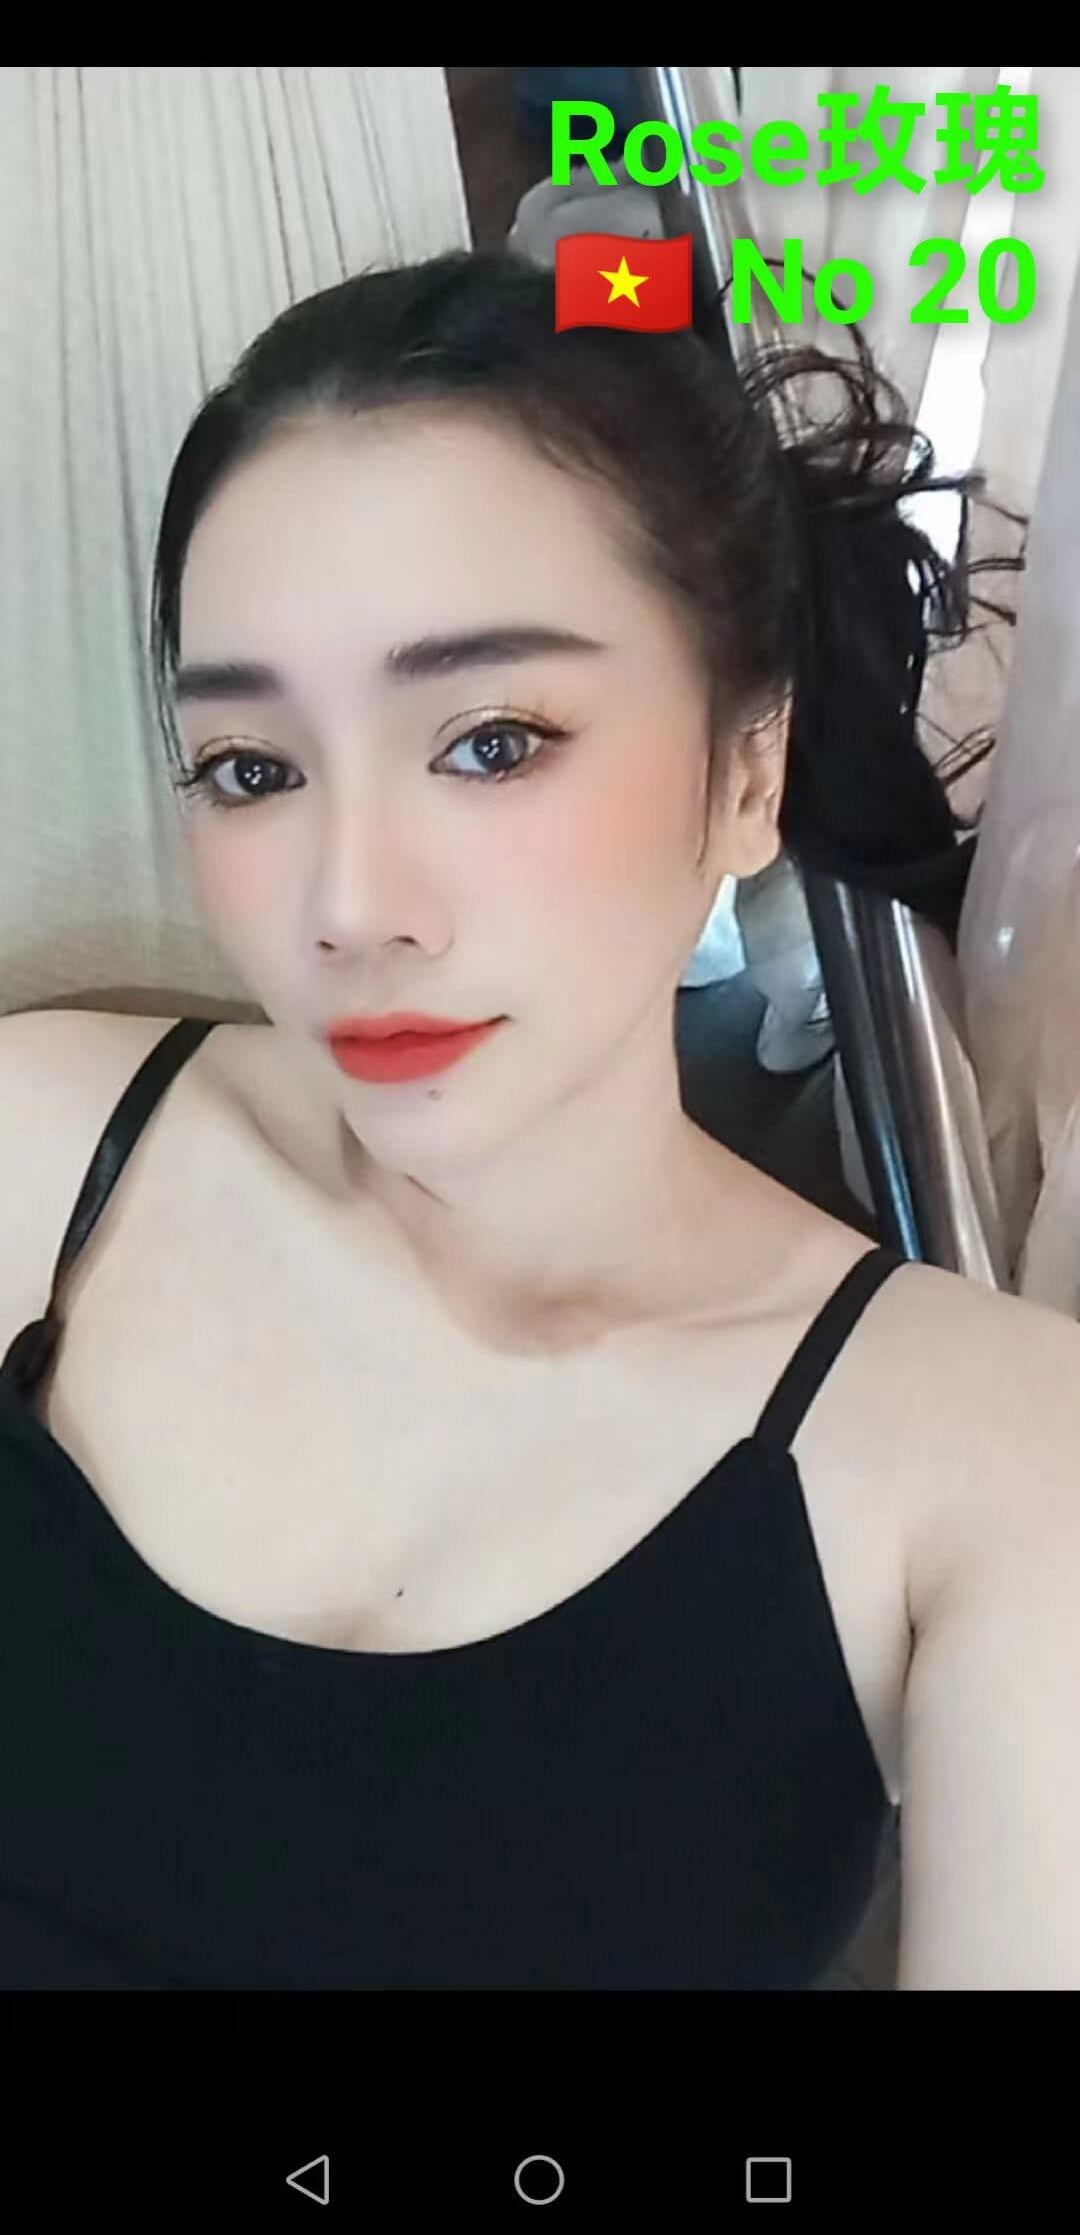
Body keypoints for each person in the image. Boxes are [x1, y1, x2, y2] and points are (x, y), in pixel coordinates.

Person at [1, 247, 1079, 1993]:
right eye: (253, 771)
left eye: (493, 742)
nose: (351, 906)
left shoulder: (992, 1457)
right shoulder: (34, 1156)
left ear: (748, 769)